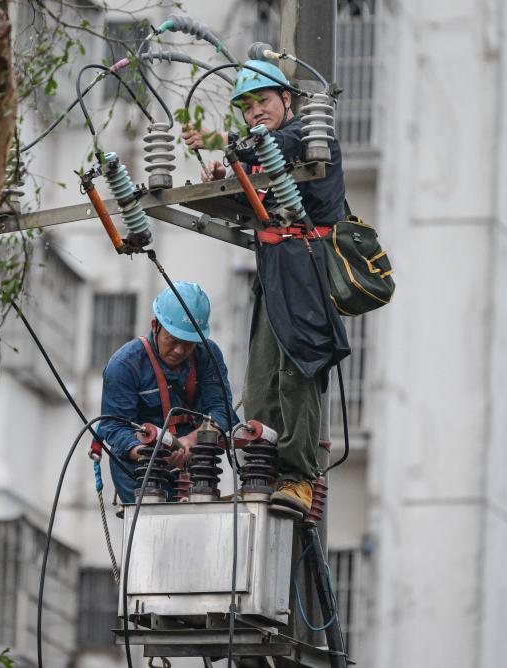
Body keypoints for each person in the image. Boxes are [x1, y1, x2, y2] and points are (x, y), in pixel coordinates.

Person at [182, 59, 350, 515]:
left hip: (309, 271)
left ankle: (297, 477)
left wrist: (222, 142)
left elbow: (276, 145)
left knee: (298, 372)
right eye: (249, 106)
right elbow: (254, 198)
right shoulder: (260, 153)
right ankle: (260, 471)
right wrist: (224, 182)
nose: (257, 111)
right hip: (274, 272)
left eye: (264, 101)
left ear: (287, 101)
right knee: (260, 382)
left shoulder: (313, 141)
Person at [97, 282, 236, 504]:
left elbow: (221, 410)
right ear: (155, 326)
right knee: (151, 532)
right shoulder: (124, 365)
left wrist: (191, 441)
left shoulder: (207, 355)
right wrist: (150, 454)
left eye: (189, 344)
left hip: (194, 469)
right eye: (173, 341)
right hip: (141, 472)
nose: (180, 351)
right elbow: (114, 428)